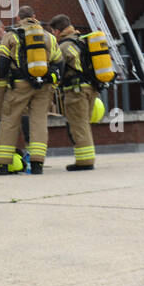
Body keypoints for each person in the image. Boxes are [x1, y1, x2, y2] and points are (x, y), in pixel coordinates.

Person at [0, 7, 61, 175]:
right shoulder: (49, 37)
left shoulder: (11, 35)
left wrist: (1, 87)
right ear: (34, 17)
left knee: (9, 121)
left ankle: (3, 164)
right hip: (43, 86)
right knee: (38, 122)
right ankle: (37, 164)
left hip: (18, 85)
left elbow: (1, 65)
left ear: (18, 18)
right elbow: (59, 62)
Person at [50, 14, 97, 171]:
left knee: (78, 125)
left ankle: (85, 162)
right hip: (91, 88)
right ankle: (86, 158)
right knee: (84, 123)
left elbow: (59, 68)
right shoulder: (82, 40)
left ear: (57, 31)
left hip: (75, 90)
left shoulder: (63, 46)